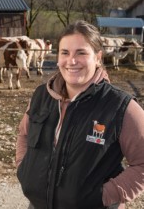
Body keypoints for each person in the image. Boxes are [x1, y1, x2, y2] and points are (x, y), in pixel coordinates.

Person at [16, 20, 144, 209]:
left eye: (81, 53)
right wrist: (23, 170)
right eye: (65, 53)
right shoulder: (41, 96)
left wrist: (105, 196)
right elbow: (24, 134)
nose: (72, 61)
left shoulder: (120, 107)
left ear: (98, 57)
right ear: (58, 57)